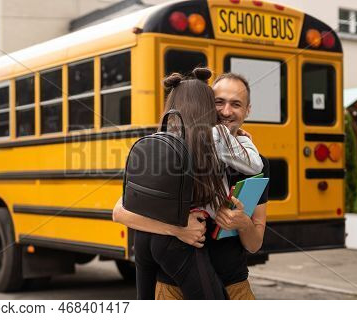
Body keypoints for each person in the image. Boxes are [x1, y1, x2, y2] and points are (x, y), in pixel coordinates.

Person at [113, 70, 268, 299]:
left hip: (230, 277)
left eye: (236, 104)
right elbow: (120, 212)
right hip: (175, 275)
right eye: (218, 102)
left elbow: (255, 242)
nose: (226, 111)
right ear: (206, 105)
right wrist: (178, 228)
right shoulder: (216, 140)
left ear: (247, 110)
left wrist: (244, 223)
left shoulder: (165, 141)